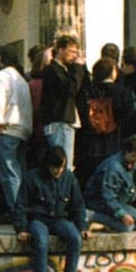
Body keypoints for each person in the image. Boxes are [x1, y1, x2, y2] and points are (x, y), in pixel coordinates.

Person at [14, 146, 89, 272]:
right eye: (55, 167)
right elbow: (20, 205)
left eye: (61, 167)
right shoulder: (32, 177)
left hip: (59, 219)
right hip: (38, 219)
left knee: (75, 238)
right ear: (48, 165)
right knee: (41, 241)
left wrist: (82, 226)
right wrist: (21, 229)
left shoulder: (69, 178)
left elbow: (78, 205)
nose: (58, 171)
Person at [0, 45, 33, 211]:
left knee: (9, 173)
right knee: (19, 171)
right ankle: (23, 207)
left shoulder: (1, 77)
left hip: (7, 128)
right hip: (23, 129)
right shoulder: (21, 80)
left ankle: (16, 210)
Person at [38, 35, 89, 174]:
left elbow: (82, 88)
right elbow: (71, 89)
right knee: (62, 165)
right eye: (71, 51)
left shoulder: (67, 70)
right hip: (59, 122)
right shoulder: (53, 70)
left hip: (66, 121)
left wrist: (81, 67)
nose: (74, 56)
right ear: (60, 50)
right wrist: (77, 67)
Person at [84, 135, 136, 232]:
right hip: (101, 203)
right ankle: (92, 216)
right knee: (127, 227)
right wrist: (122, 214)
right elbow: (108, 198)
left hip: (120, 203)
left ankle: (104, 224)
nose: (135, 163)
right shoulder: (113, 168)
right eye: (133, 158)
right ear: (126, 152)